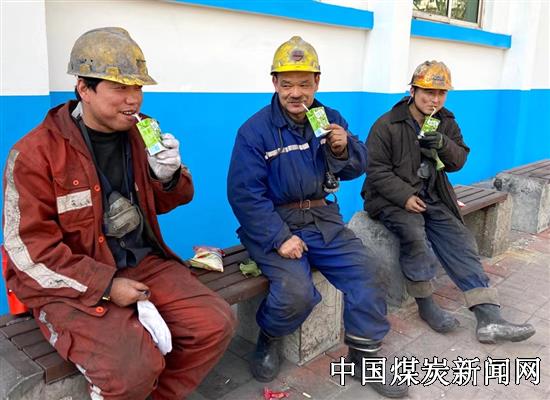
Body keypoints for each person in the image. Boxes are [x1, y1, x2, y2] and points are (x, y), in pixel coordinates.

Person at [2, 27, 236, 400]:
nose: (133, 100)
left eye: (138, 87)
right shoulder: (34, 155)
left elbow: (172, 200)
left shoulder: (143, 133)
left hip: (141, 264)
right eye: (119, 88)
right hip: (72, 281)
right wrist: (107, 286)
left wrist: (169, 176)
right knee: (132, 369)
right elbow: (28, 252)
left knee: (215, 324)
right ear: (84, 88)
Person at [227, 36, 407, 398]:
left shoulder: (329, 119)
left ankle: (363, 356)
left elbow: (356, 167)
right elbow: (244, 194)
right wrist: (279, 238)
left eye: (304, 84)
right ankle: (268, 337)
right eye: (287, 84)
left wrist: (343, 148)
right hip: (275, 225)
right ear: (275, 82)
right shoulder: (254, 131)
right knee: (296, 292)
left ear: (317, 83)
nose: (296, 93)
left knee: (369, 272)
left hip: (323, 220)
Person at [361, 60, 535, 343]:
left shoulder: (446, 121)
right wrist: (404, 197)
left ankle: (488, 316)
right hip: (388, 199)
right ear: (413, 91)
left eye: (441, 93)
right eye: (428, 92)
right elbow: (375, 170)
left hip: (432, 195)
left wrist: (443, 143)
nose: (435, 99)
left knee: (460, 239)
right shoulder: (387, 124)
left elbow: (459, 161)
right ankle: (425, 303)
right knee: (414, 233)